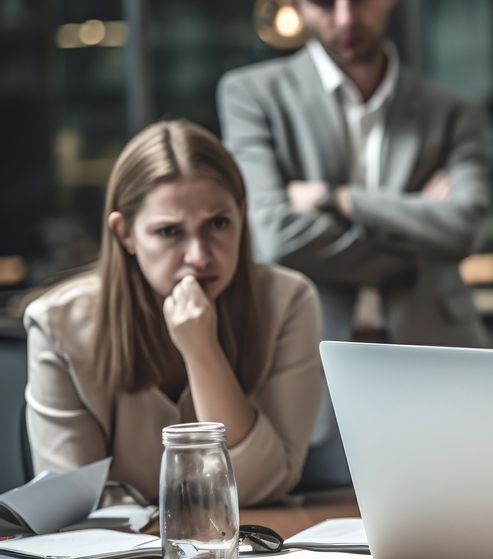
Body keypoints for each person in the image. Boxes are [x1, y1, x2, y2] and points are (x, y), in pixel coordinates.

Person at [24, 120, 323, 506]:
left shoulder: (289, 301)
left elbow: (259, 487)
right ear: (124, 234)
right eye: (169, 232)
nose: (199, 256)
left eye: (218, 223)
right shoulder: (57, 325)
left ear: (242, 215)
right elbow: (66, 508)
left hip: (244, 553)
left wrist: (201, 350)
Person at [217, 0, 491, 348]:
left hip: (439, 343)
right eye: (323, 0)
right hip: (306, 348)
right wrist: (415, 247)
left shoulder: (453, 110)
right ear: (296, 3)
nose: (345, 16)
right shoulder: (252, 95)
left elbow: (465, 227)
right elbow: (272, 234)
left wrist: (336, 199)